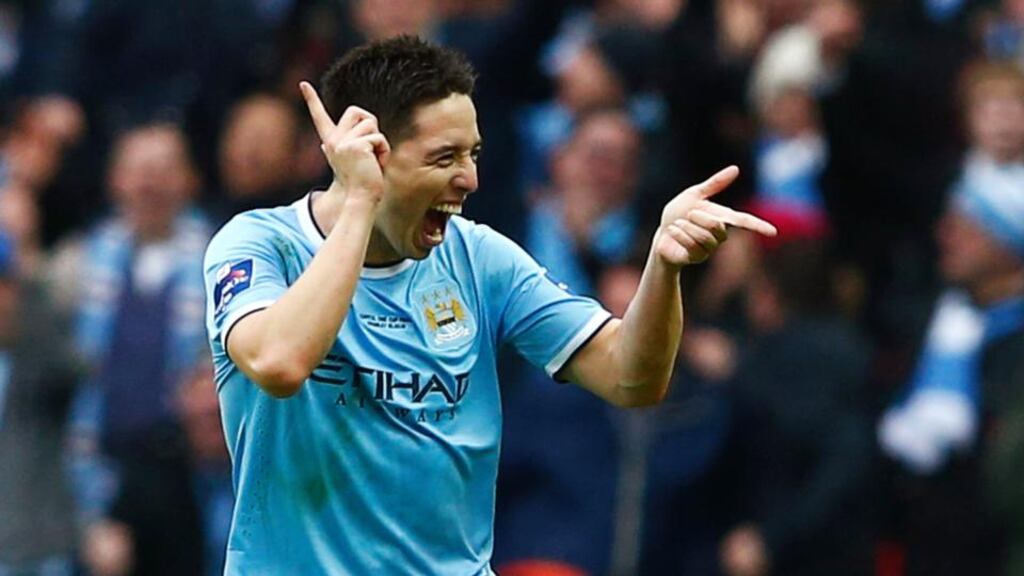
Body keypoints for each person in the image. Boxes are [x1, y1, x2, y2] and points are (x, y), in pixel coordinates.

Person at [203, 35, 775, 574]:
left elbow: (632, 378)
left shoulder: (479, 258)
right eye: (444, 157)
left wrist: (663, 267)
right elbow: (280, 363)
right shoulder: (259, 245)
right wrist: (359, 202)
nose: (471, 179)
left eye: (473, 154)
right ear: (372, 155)